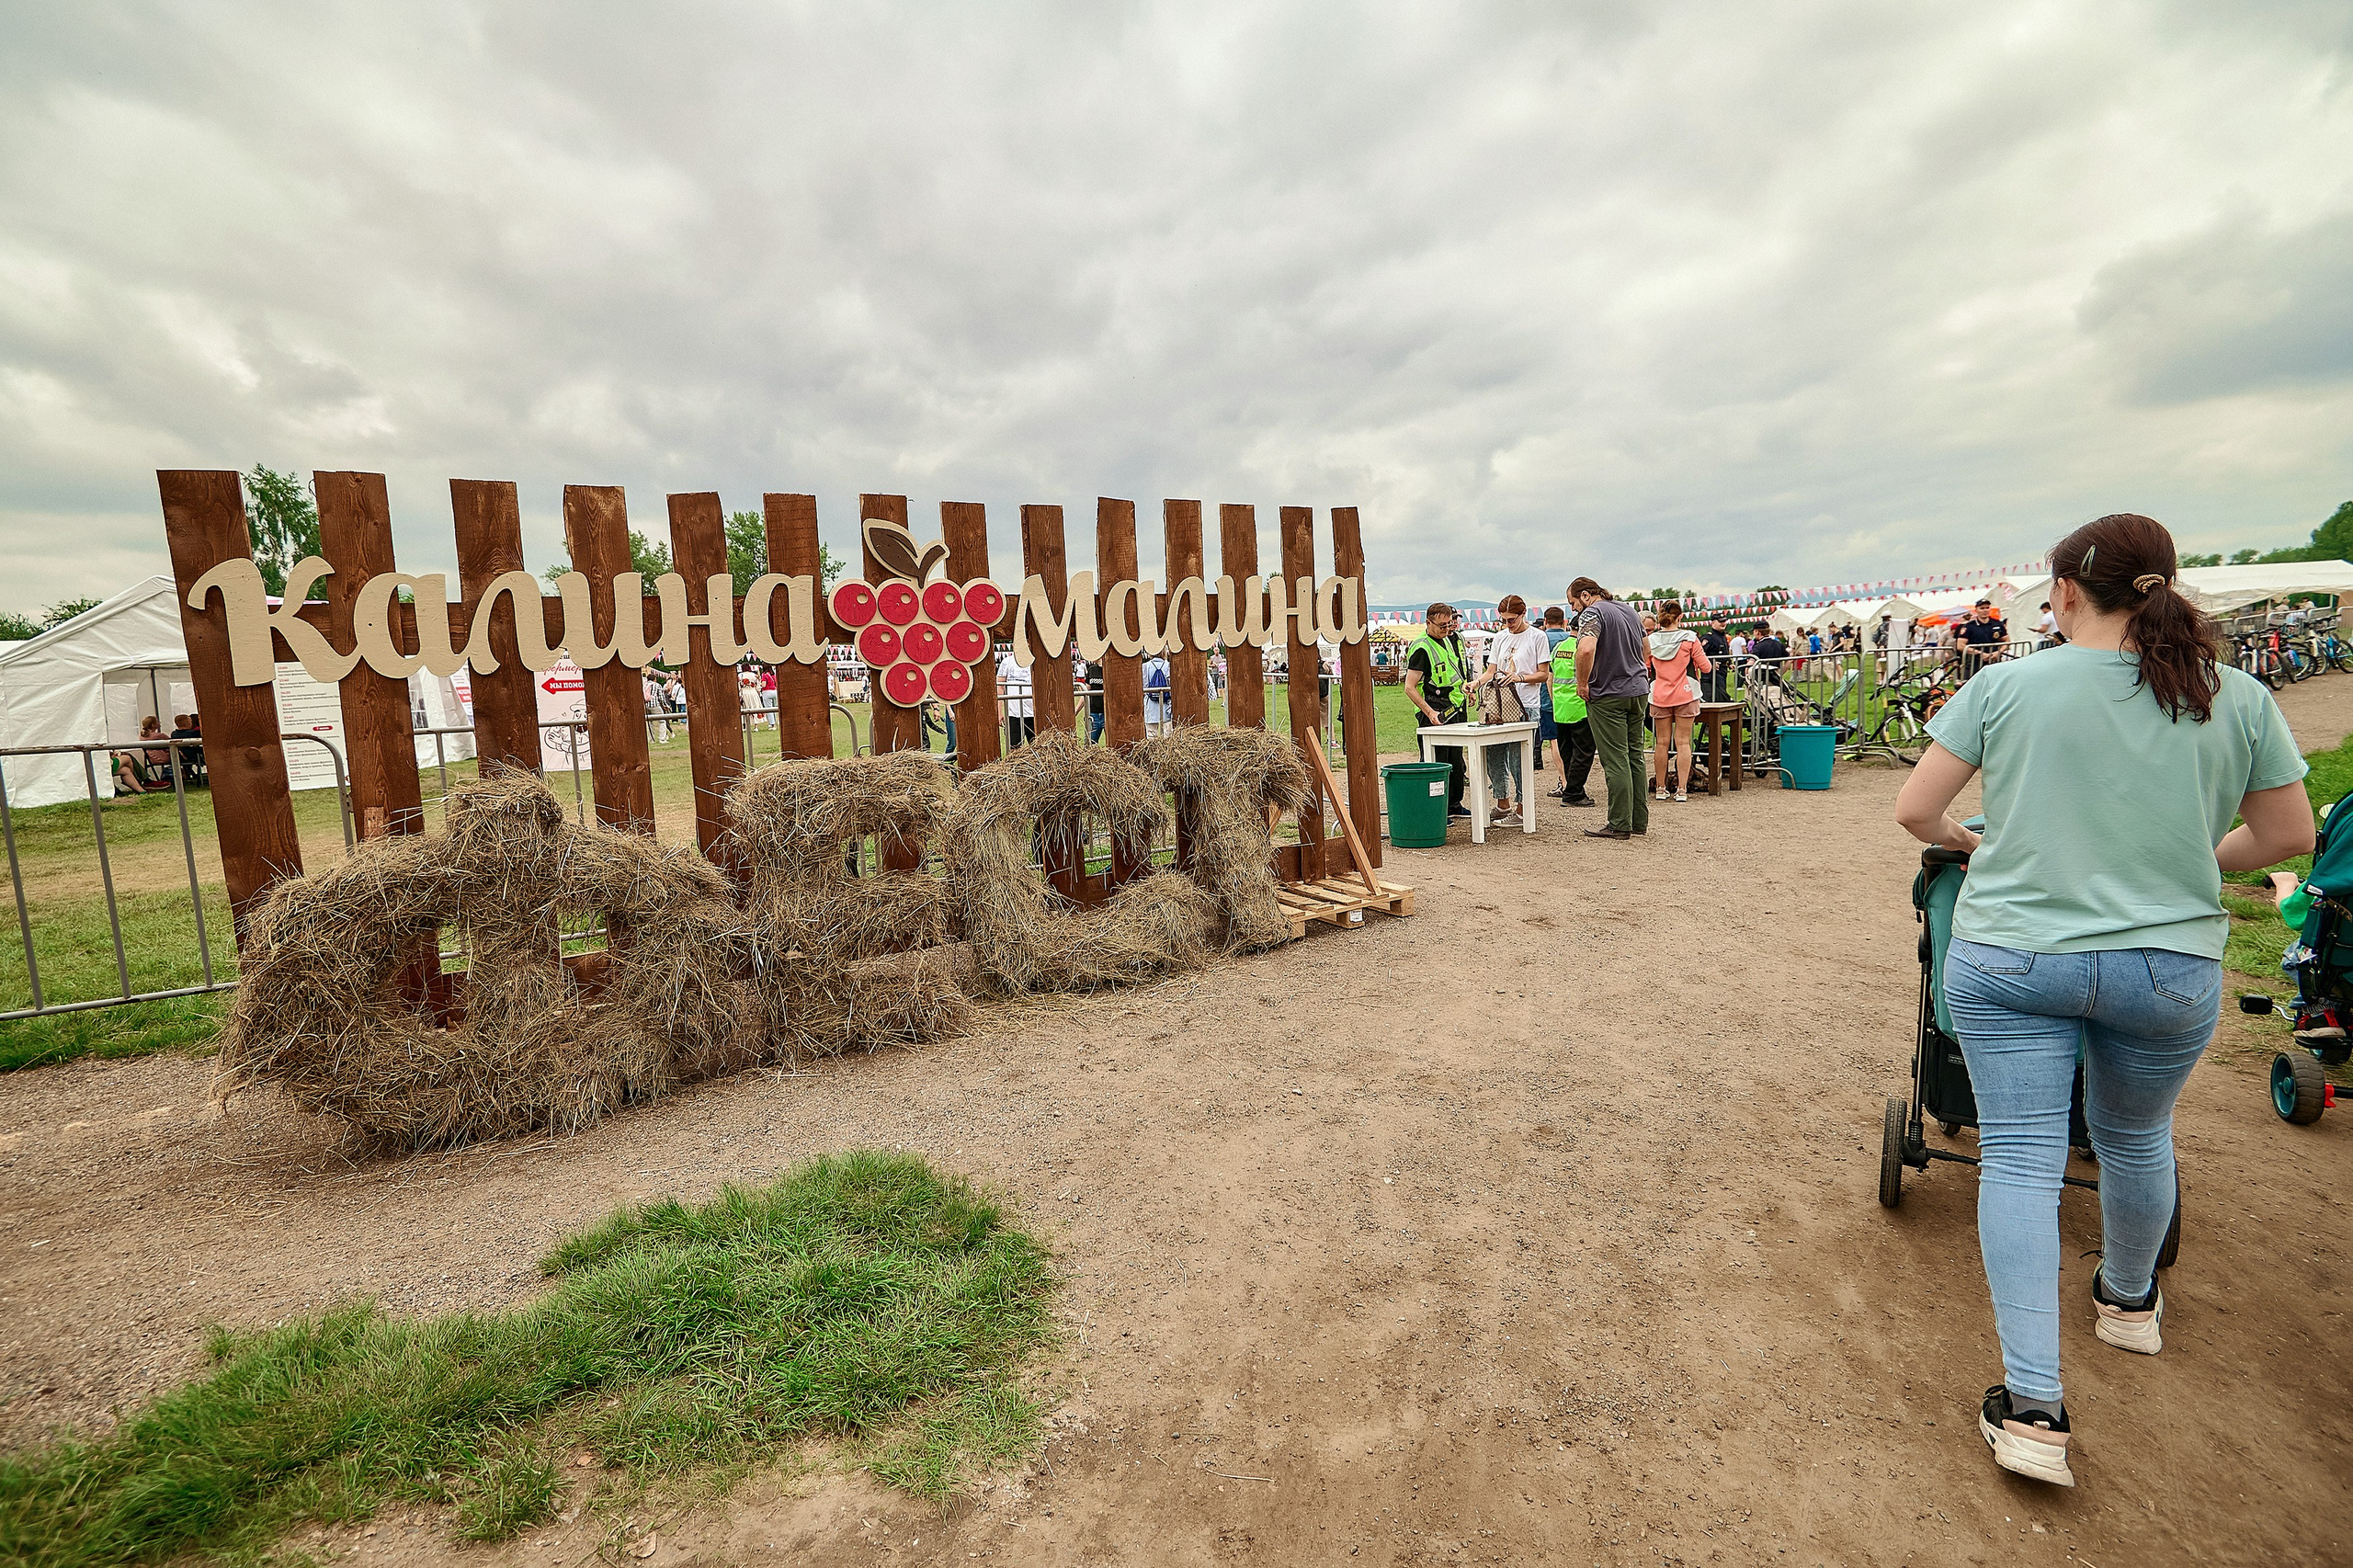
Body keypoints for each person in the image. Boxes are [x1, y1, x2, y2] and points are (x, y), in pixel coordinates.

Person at [1893, 513, 2313, 1491]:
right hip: (2165, 963)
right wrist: (2191, 863)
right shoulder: (2234, 693)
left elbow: (1916, 810)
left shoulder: (2005, 685)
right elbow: (2286, 828)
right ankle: (2127, 1303)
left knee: (2023, 1156)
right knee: (2133, 1135)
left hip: (2014, 959)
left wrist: (1976, 845)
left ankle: (2033, 1403)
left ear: (2068, 593)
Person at [1568, 577, 1651, 840]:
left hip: (1608, 694)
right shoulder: (1628, 610)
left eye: (1572, 603)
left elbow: (1585, 649)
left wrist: (1582, 684)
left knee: (1615, 759)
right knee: (1635, 755)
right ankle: (1638, 820)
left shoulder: (1592, 613)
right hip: (1638, 690)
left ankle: (1618, 823)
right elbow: (1646, 648)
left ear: (1584, 596)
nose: (1573, 609)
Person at [1481, 596, 1549, 824]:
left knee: (1519, 759)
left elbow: (1543, 674)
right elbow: (1492, 671)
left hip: (1526, 704)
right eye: (1504, 620)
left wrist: (1519, 677)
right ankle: (1502, 802)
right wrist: (1476, 683)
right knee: (1494, 754)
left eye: (1512, 619)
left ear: (1523, 614)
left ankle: (1523, 807)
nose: (1508, 624)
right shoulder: (1500, 637)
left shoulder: (1537, 637)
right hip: (1500, 705)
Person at [1404, 603, 1473, 820]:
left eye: (1449, 624)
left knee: (1455, 760)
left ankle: (1453, 804)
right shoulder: (1422, 647)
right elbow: (1409, 687)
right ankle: (1433, 810)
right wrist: (1429, 712)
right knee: (1435, 763)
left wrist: (1467, 689)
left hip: (1455, 707)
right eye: (1442, 626)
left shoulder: (1450, 640)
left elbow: (1456, 671)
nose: (1447, 629)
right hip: (1435, 710)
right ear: (1428, 622)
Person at [1645, 604, 1711, 801]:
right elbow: (1706, 668)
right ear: (1679, 617)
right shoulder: (1690, 638)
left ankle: (1660, 787)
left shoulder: (1651, 640)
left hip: (1659, 694)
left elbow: (1645, 666)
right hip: (1686, 692)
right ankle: (1682, 789)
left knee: (1662, 743)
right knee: (1683, 742)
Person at [1546, 621, 1597, 806]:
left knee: (1567, 751)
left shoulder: (1559, 647)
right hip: (1580, 706)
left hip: (1560, 708)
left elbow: (1550, 678)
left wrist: (1555, 700)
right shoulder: (1583, 647)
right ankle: (1574, 793)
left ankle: (1571, 788)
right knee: (1584, 751)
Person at [996, 649, 1035, 749]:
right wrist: (999, 711)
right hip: (1013, 714)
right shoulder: (1007, 662)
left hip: (1034, 714)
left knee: (1038, 749)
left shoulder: (1036, 660)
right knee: (1014, 749)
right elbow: (1000, 687)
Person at [1698, 618, 1732, 703]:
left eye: (1724, 621)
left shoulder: (1723, 636)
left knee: (1722, 690)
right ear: (1713, 623)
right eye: (1720, 622)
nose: (1723, 623)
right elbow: (1700, 653)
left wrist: (1729, 663)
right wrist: (1710, 663)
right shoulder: (1708, 637)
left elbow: (1725, 652)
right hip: (1712, 671)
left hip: (1722, 669)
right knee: (1717, 694)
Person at [1143, 650, 1173, 735]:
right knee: (1168, 733)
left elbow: (1144, 685)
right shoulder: (1168, 666)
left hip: (1150, 704)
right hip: (1166, 704)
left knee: (1151, 733)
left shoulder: (1145, 666)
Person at [1084, 659, 1107, 744]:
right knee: (1090, 744)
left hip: (1108, 713)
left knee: (1114, 745)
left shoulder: (1110, 669)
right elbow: (1086, 692)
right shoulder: (1092, 669)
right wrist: (1076, 710)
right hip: (1093, 713)